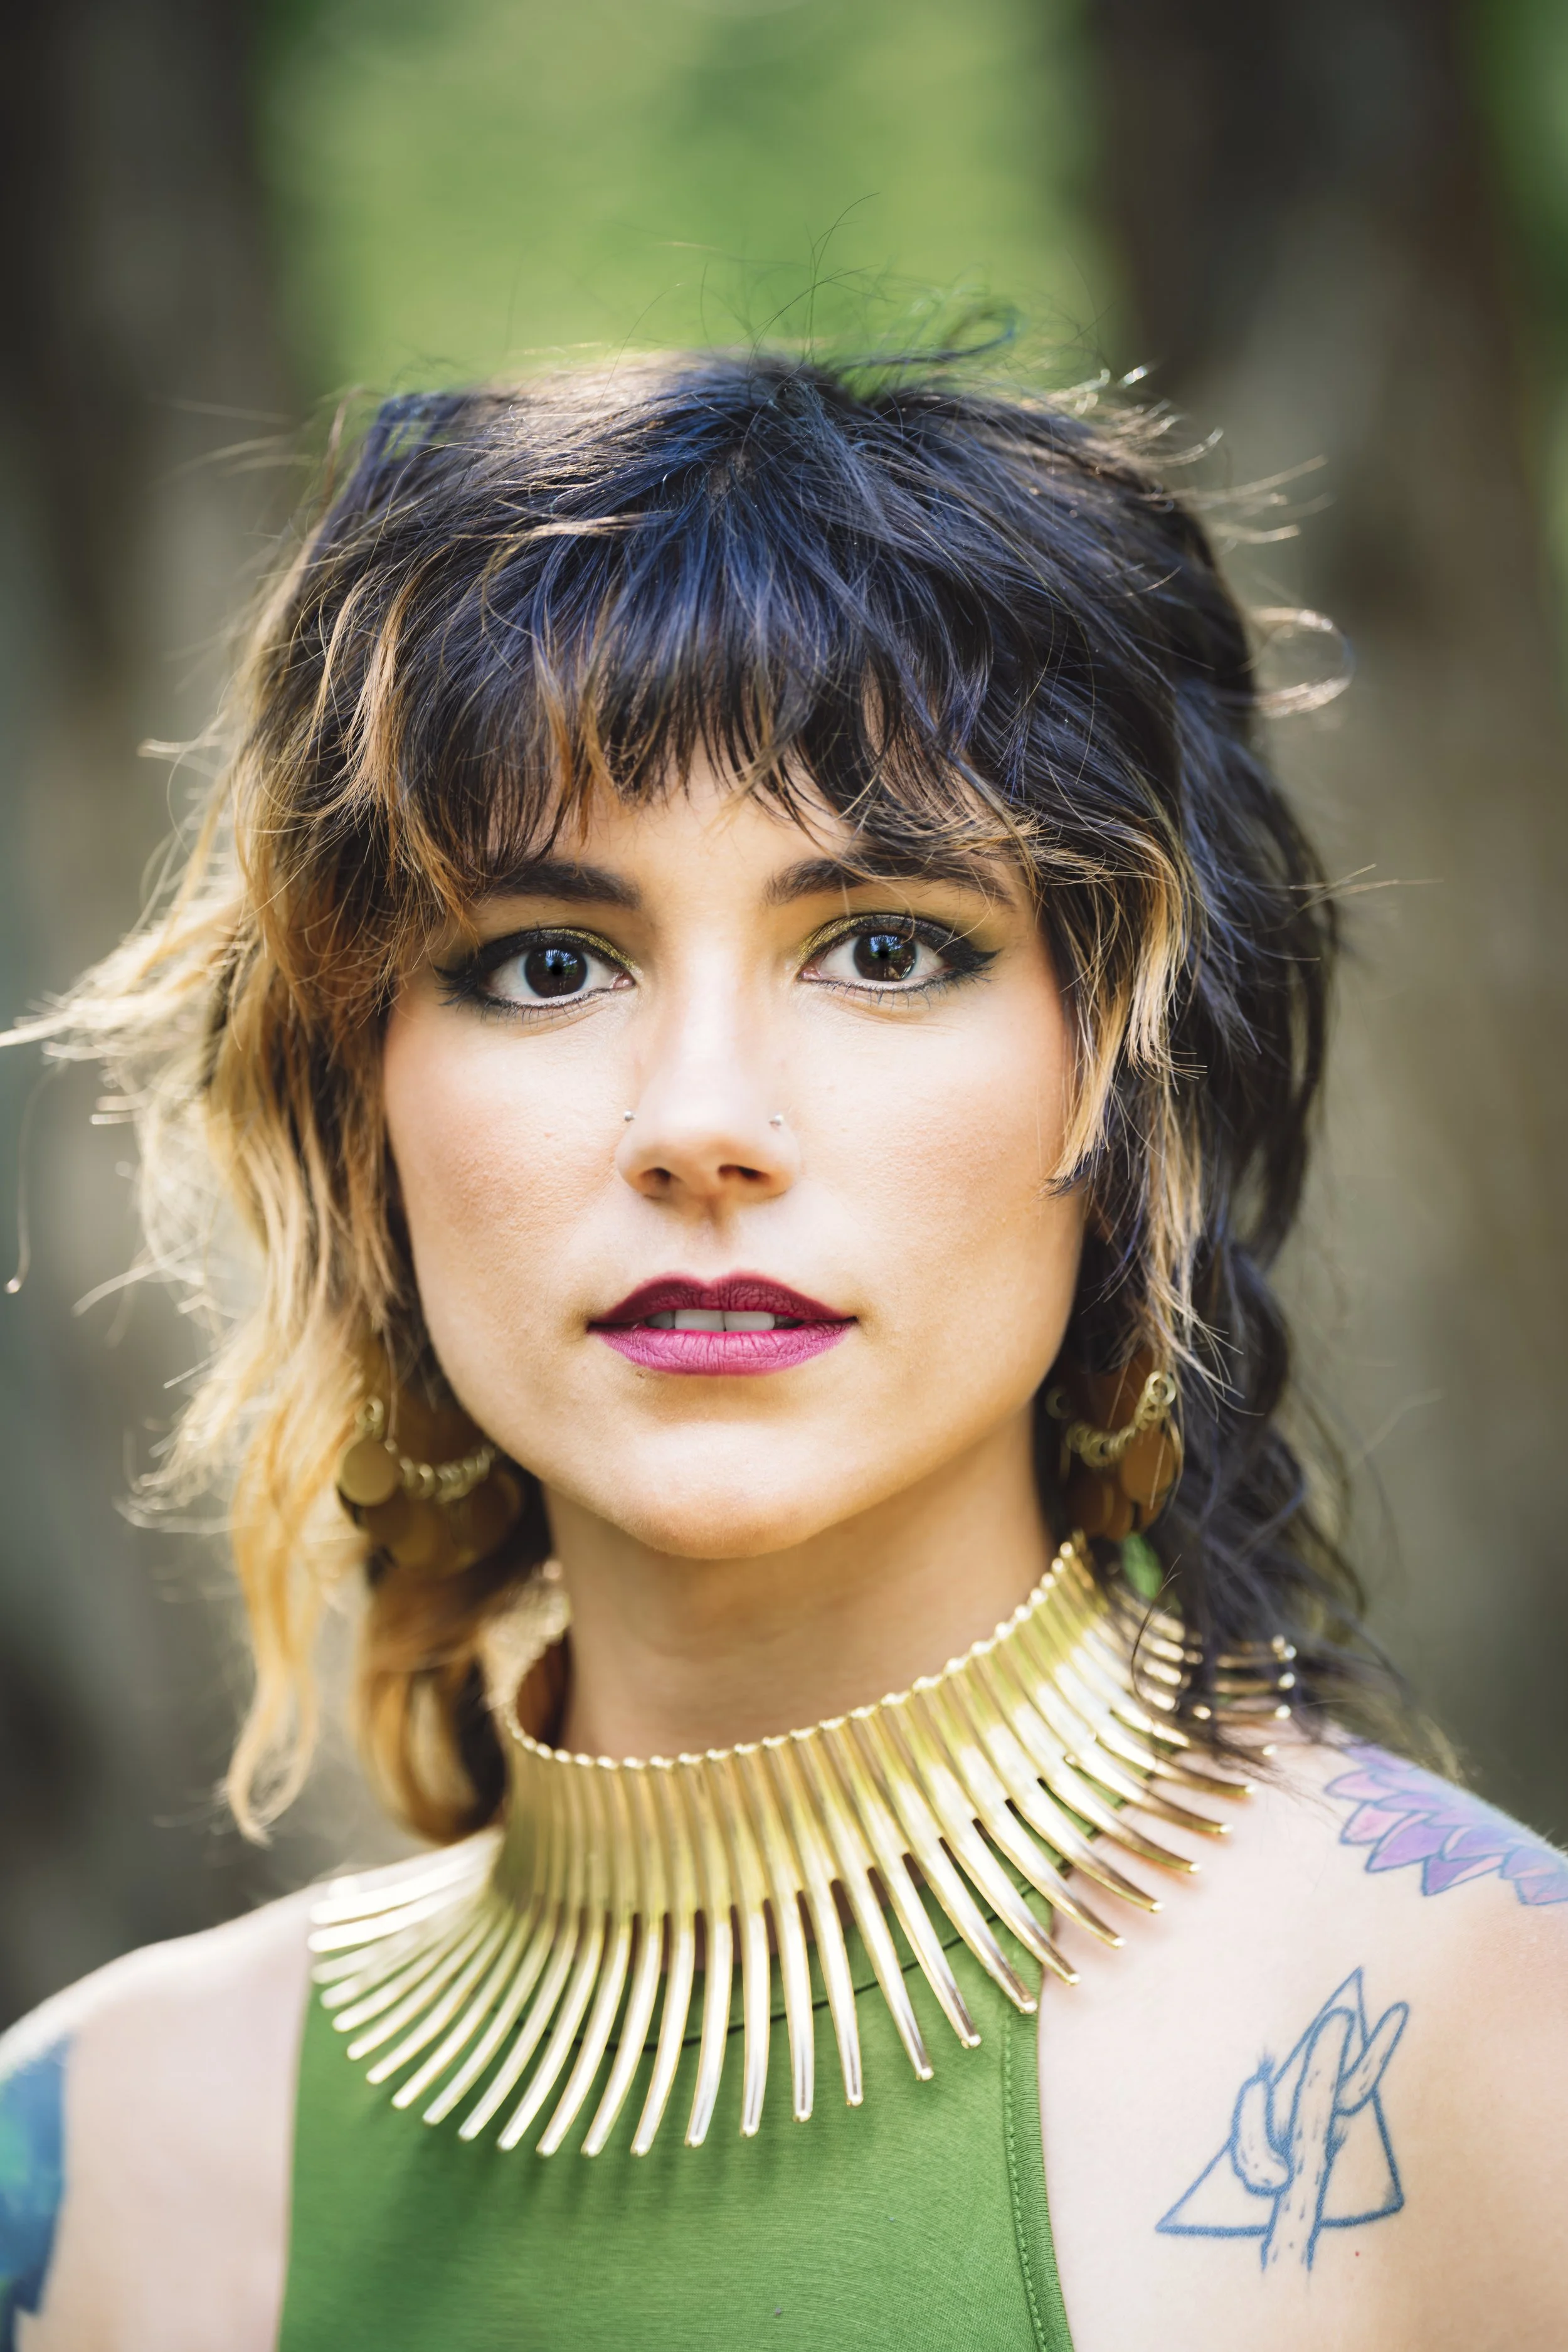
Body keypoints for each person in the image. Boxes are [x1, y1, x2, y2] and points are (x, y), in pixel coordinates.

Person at [1, 349, 1564, 2352]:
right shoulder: (109, 2163)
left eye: (888, 945)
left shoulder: (1486, 2062)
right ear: (354, 1110)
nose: (698, 1117)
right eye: (545, 963)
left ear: (1134, 1080)